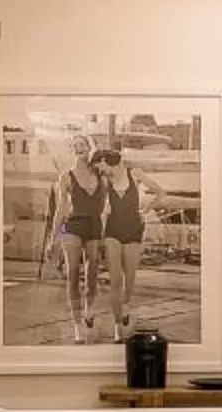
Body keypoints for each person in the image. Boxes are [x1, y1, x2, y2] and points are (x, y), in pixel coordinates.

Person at [48, 133, 108, 342]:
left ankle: (88, 310)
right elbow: (60, 210)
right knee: (73, 272)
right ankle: (76, 325)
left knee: (92, 274)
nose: (79, 148)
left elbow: (109, 206)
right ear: (73, 150)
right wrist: (52, 239)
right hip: (72, 227)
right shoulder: (65, 177)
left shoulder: (102, 176)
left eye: (83, 145)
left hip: (94, 227)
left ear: (90, 147)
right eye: (76, 145)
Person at [97, 140, 150, 340]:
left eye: (103, 165)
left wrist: (145, 210)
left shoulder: (135, 174)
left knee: (130, 279)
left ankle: (126, 306)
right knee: (115, 281)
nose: (102, 170)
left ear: (111, 162)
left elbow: (161, 193)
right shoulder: (105, 182)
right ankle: (117, 325)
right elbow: (102, 210)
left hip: (133, 231)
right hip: (112, 231)